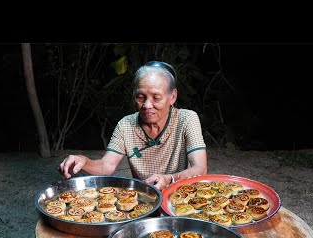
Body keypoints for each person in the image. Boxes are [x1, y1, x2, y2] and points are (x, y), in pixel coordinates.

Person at [58, 61, 207, 191]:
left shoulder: (187, 119)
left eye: (156, 97)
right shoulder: (126, 125)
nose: (147, 105)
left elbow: (200, 169)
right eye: (140, 97)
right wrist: (84, 161)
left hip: (179, 195)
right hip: (144, 197)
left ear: (172, 96)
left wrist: (168, 179)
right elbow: (106, 165)